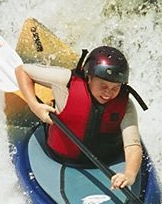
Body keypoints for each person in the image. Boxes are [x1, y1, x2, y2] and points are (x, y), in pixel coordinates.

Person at [15, 46, 147, 190]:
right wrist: (34, 105)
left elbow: (133, 145)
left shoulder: (125, 105)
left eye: (115, 88)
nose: (108, 93)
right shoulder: (66, 81)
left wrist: (129, 174)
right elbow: (22, 71)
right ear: (89, 78)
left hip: (106, 162)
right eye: (103, 86)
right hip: (59, 159)